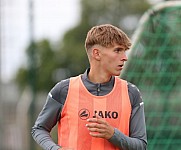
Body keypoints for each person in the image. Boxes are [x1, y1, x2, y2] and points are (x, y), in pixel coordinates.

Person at [31, 24, 147, 150]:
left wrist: (113, 135)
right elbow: (39, 129)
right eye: (118, 50)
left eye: (125, 51)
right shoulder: (64, 90)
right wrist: (55, 149)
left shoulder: (131, 93)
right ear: (96, 54)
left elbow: (141, 145)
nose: (124, 57)